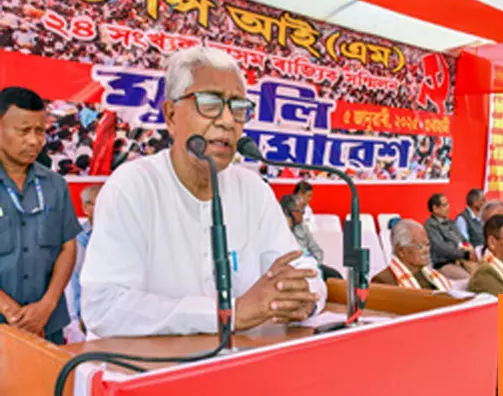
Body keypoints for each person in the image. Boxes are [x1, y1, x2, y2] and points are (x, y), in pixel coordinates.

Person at [80, 47, 327, 338]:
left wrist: (301, 300)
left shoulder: (254, 191)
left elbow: (303, 272)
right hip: (148, 371)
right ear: (171, 115)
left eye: (237, 107)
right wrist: (227, 314)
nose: (227, 120)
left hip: (239, 364)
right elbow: (105, 308)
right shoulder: (132, 186)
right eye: (209, 103)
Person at [0, 87, 82, 344]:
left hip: (47, 326)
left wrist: (46, 306)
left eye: (40, 131)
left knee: (48, 385)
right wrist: (12, 312)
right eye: (23, 131)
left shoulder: (55, 185)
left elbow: (68, 247)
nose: (34, 141)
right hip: (6, 324)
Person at [63, 184, 102, 342]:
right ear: (86, 208)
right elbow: (73, 282)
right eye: (100, 203)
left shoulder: (126, 234)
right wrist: (75, 320)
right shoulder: (77, 239)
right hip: (86, 319)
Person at [372, 219, 452, 291]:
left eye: (427, 245)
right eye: (420, 246)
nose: (426, 250)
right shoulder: (383, 281)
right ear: (401, 251)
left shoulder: (430, 275)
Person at [279, 194, 342, 281]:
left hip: (309, 264)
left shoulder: (301, 228)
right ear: (287, 212)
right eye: (299, 211)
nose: (302, 214)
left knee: (334, 276)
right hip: (289, 268)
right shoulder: (278, 230)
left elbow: (316, 250)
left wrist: (313, 262)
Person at [424, 193, 477, 280]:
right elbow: (440, 248)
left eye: (448, 204)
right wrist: (463, 253)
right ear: (435, 208)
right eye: (444, 205)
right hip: (444, 263)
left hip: (462, 259)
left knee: (484, 275)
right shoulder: (430, 225)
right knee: (470, 279)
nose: (448, 207)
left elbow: (462, 239)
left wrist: (469, 248)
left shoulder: (450, 222)